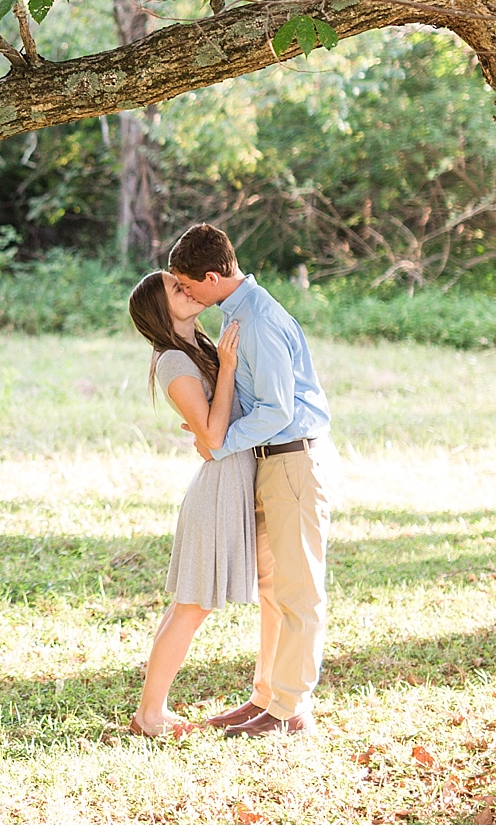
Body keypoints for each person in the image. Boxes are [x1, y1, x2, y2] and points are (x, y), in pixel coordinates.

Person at [167, 222, 339, 739]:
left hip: (292, 460)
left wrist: (220, 442)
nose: (186, 294)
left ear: (214, 276)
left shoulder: (258, 321)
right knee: (273, 591)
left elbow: (278, 409)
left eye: (188, 284)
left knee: (298, 591)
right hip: (271, 463)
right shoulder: (240, 314)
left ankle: (292, 711)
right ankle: (266, 697)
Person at [124, 270, 253, 737]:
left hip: (231, 480)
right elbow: (214, 434)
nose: (188, 288)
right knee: (192, 606)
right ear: (160, 310)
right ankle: (150, 716)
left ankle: (149, 713)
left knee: (189, 605)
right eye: (175, 289)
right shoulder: (172, 362)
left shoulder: (194, 349)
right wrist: (230, 368)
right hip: (218, 489)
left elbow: (214, 424)